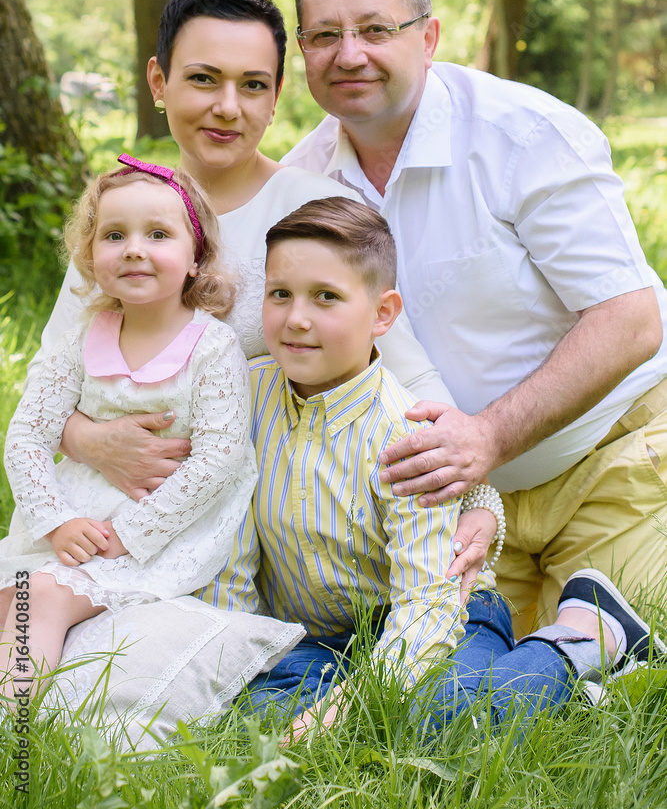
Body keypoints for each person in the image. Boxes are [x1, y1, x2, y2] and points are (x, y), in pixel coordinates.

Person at [27, 0, 496, 588]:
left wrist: (478, 493)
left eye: (252, 85)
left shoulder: (312, 209)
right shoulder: (129, 223)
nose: (229, 107)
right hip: (116, 519)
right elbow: (49, 380)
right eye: (203, 79)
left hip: (281, 535)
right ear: (158, 82)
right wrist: (90, 440)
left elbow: (406, 375)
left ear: (277, 97)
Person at [281, 0, 667, 635]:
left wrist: (487, 434)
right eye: (324, 35)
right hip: (461, 502)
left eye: (375, 30)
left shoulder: (523, 135)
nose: (348, 54)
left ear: (426, 37)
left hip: (610, 459)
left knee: (615, 667)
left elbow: (631, 317)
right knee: (468, 685)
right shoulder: (303, 186)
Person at [203, 198, 664, 739]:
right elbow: (228, 547)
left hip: (448, 617)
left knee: (437, 719)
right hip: (319, 639)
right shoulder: (244, 395)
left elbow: (426, 608)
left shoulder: (407, 435)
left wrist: (344, 708)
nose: (297, 318)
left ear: (382, 313)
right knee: (251, 714)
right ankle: (529, 692)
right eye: (281, 294)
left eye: (326, 297)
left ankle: (582, 636)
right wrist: (230, 655)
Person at [0, 157, 257, 690]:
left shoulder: (211, 347)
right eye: (114, 235)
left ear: (195, 258)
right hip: (74, 517)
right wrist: (53, 520)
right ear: (91, 257)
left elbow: (219, 460)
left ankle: (16, 729)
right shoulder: (84, 337)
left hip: (160, 527)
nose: (135, 248)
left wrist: (130, 533)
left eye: (158, 234)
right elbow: (26, 435)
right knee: (11, 593)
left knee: (39, 598)